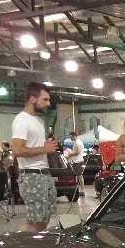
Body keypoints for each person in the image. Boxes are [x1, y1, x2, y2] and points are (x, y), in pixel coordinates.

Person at [11, 82, 60, 233]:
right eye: (45, 99)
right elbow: (17, 150)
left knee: (44, 217)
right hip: (31, 175)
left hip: (44, 173)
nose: (48, 103)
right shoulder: (22, 120)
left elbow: (34, 146)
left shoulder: (39, 121)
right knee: (35, 220)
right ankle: (28, 244)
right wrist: (44, 149)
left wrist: (46, 146)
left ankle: (39, 242)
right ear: (32, 99)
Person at [66, 131, 86, 196]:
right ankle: (80, 190)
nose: (70, 138)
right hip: (78, 161)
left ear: (74, 136)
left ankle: (80, 190)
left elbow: (78, 152)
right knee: (79, 176)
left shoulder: (77, 142)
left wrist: (70, 154)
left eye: (71, 137)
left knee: (79, 176)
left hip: (78, 161)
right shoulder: (78, 142)